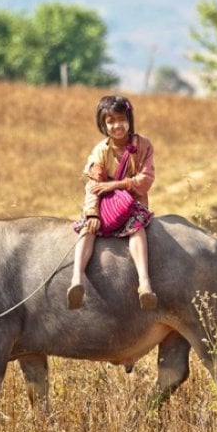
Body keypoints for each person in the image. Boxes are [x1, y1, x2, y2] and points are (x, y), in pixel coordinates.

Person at [67, 94, 158, 310]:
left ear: (129, 119)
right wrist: (92, 213)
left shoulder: (143, 146)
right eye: (110, 121)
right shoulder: (100, 152)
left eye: (121, 119)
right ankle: (76, 280)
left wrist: (115, 185)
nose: (117, 125)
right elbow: (93, 186)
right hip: (105, 205)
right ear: (103, 124)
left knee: (137, 229)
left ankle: (144, 283)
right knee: (86, 230)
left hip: (132, 204)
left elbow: (145, 180)